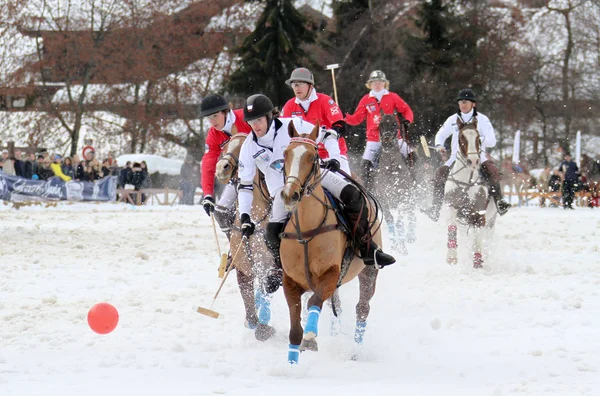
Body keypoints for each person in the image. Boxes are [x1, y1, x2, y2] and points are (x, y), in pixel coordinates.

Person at [237, 94, 396, 292]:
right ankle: (280, 269)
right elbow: (244, 185)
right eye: (251, 122)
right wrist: (244, 215)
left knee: (353, 195)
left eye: (259, 120)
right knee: (271, 233)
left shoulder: (292, 125)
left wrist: (335, 157)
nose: (255, 126)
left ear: (270, 116)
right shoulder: (248, 147)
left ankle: (367, 249)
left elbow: (327, 134)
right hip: (283, 191)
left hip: (315, 177)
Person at [421, 88, 511, 221]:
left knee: (492, 171)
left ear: (473, 104)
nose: (463, 105)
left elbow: (492, 141)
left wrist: (476, 139)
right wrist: (439, 145)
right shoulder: (452, 119)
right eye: (460, 102)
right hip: (456, 158)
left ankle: (499, 201)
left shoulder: (483, 120)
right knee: (440, 172)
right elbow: (441, 134)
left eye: (466, 102)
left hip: (478, 156)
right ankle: (435, 208)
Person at [345, 70, 414, 185]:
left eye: (379, 82)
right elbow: (357, 118)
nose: (377, 85)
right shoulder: (366, 100)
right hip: (374, 139)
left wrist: (407, 120)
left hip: (394, 137)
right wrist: (344, 117)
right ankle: (368, 191)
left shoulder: (392, 97)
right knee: (365, 166)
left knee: (412, 156)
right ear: (370, 84)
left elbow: (407, 110)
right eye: (374, 82)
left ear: (384, 83)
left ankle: (414, 180)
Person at [199, 93, 252, 240]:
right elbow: (208, 162)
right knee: (221, 213)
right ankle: (235, 246)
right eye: (208, 118)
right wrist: (208, 194)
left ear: (226, 111)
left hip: (263, 174)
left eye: (215, 116)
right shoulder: (213, 134)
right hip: (238, 178)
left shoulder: (245, 116)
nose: (212, 121)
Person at [281, 67, 351, 173]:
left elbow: (340, 125)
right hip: (306, 157)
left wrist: (333, 135)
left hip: (334, 155)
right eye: (294, 84)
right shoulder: (289, 106)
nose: (297, 87)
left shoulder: (325, 101)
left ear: (310, 85)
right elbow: (282, 132)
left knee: (344, 187)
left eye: (301, 84)